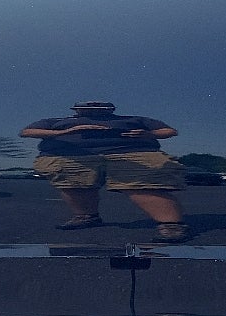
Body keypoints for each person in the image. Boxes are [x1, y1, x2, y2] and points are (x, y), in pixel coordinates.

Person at [20, 101, 189, 242]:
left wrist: (148, 134)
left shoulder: (133, 119)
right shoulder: (56, 121)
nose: (94, 108)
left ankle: (171, 225)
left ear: (111, 109)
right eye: (88, 107)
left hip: (132, 152)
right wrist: (65, 132)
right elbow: (27, 132)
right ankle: (86, 216)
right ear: (76, 110)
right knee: (74, 184)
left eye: (100, 106)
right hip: (70, 154)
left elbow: (169, 131)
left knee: (142, 184)